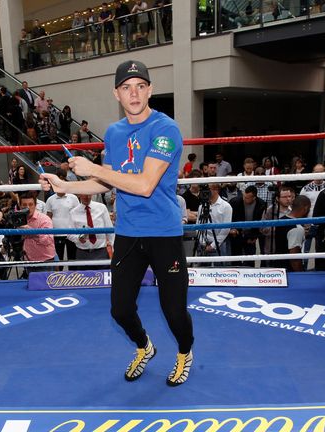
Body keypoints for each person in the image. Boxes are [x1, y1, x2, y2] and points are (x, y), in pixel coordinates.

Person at [40, 60, 194, 386]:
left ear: (150, 90)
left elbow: (143, 184)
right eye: (126, 87)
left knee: (174, 312)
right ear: (117, 93)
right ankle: (144, 346)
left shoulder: (166, 129)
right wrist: (64, 185)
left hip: (163, 232)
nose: (134, 93)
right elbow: (107, 184)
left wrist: (93, 168)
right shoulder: (114, 132)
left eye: (140, 86)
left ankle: (184, 352)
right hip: (127, 232)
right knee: (120, 310)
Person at [68, 193, 114, 269]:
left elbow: (110, 229)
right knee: (83, 279)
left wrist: (114, 248)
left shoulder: (102, 208)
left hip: (101, 251)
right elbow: (69, 234)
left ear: (92, 195)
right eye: (84, 195)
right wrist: (78, 239)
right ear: (79, 195)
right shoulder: (73, 212)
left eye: (89, 195)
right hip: (82, 253)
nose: (87, 197)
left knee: (103, 278)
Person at [18, 192, 56, 274]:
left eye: (31, 204)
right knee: (31, 284)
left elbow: (48, 240)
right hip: (28, 259)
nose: (27, 208)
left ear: (35, 205)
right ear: (20, 206)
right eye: (24, 205)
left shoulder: (44, 219)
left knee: (45, 285)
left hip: (45, 260)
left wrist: (32, 232)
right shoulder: (19, 219)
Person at [45, 188, 80, 267]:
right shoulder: (50, 199)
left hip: (71, 233)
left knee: (72, 258)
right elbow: (48, 217)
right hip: (56, 234)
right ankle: (58, 277)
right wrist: (49, 233)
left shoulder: (73, 198)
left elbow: (78, 214)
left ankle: (74, 277)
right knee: (58, 260)